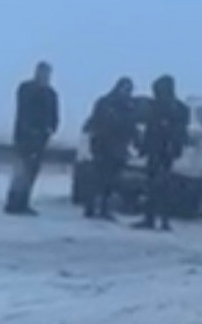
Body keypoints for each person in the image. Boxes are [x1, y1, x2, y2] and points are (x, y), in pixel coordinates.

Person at [132, 75, 191, 231]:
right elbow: (149, 130)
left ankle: (158, 219)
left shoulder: (176, 109)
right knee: (155, 186)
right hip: (158, 150)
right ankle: (154, 219)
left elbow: (179, 132)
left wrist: (172, 146)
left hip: (164, 151)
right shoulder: (169, 107)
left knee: (160, 186)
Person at [5, 61, 59, 216]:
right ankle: (13, 203)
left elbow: (54, 114)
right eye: (43, 73)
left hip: (41, 139)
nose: (45, 77)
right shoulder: (27, 88)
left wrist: (51, 129)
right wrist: (31, 130)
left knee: (32, 172)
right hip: (25, 138)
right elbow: (25, 111)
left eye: (47, 74)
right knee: (21, 172)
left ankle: (24, 202)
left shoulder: (51, 94)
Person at [82, 77, 139, 221]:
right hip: (103, 146)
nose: (126, 92)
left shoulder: (128, 106)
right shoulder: (105, 103)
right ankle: (91, 207)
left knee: (110, 181)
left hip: (118, 148)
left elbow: (131, 126)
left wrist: (137, 142)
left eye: (128, 89)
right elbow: (94, 121)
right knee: (99, 179)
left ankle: (103, 208)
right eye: (124, 88)